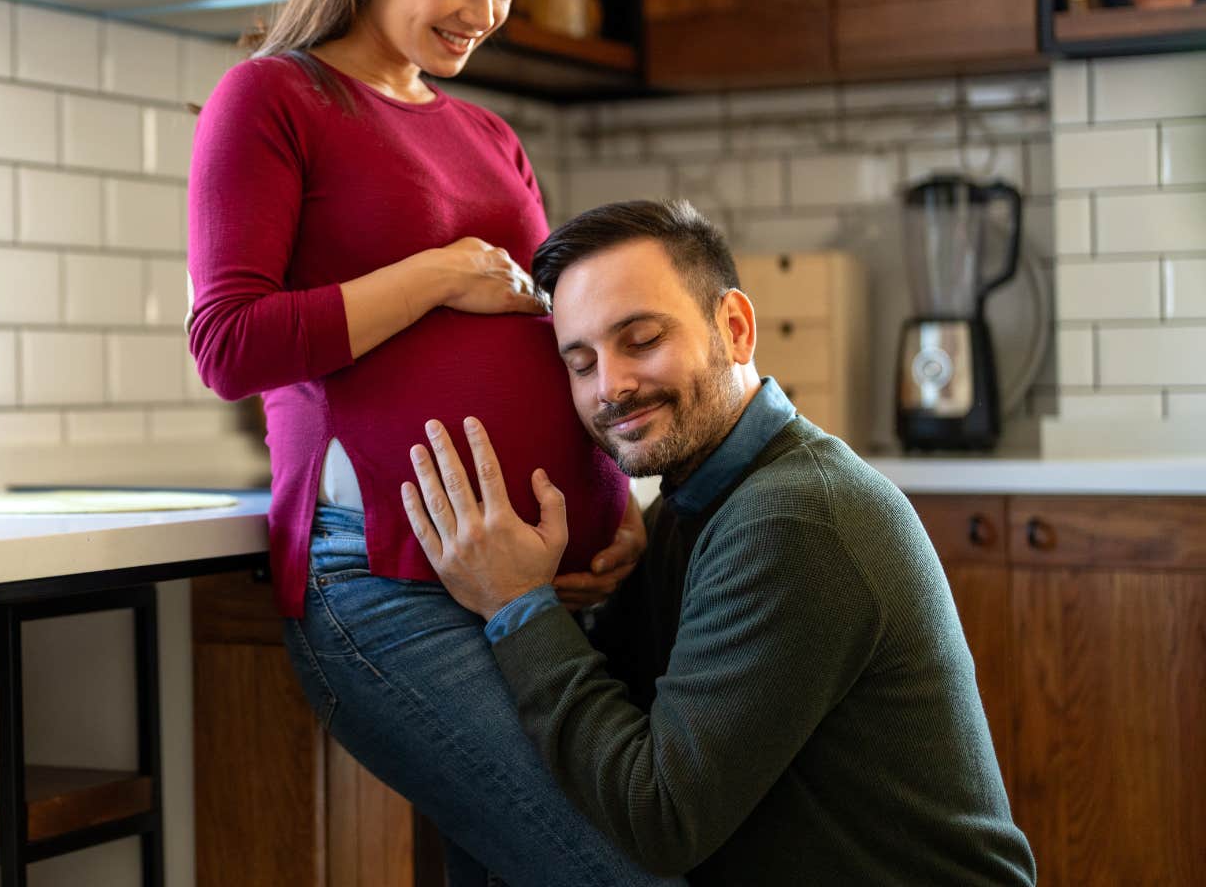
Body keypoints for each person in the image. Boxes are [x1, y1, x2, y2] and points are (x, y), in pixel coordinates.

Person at [185, 0, 670, 884]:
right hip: (386, 584)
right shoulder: (273, 98)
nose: (483, 16)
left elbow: (568, 339)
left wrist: (620, 502)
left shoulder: (488, 132)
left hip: (541, 585)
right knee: (616, 869)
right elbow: (226, 343)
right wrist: (437, 275)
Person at [400, 200, 1038, 885]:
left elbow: (661, 820)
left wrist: (517, 606)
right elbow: (621, 697)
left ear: (734, 328)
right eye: (581, 363)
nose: (609, 387)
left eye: (641, 340)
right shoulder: (699, 502)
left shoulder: (793, 521)